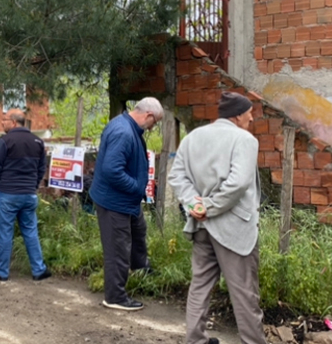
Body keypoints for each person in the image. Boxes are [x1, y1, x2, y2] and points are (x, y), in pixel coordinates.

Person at [168, 92, 265, 344]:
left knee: (200, 285)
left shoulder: (193, 138)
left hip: (201, 226)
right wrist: (208, 207)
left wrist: (194, 203)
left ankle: (196, 340)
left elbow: (177, 176)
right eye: (248, 113)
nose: (251, 118)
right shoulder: (245, 140)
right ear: (237, 115)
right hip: (234, 228)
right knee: (244, 292)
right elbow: (239, 183)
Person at [90, 97, 163, 312]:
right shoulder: (123, 132)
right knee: (118, 249)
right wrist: (135, 187)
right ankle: (115, 297)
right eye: (155, 122)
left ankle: (141, 270)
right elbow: (112, 170)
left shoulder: (126, 126)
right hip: (115, 202)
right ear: (148, 116)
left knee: (138, 231)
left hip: (125, 201)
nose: (153, 127)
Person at [0, 109, 50, 282]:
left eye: (4, 119)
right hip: (28, 195)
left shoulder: (4, 141)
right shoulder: (38, 142)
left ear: (14, 122)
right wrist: (33, 186)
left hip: (6, 194)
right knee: (30, 232)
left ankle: (2, 271)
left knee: (4, 234)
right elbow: (41, 169)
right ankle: (38, 270)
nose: (2, 122)